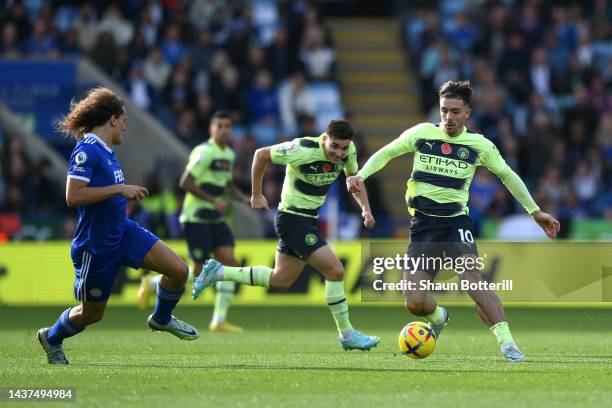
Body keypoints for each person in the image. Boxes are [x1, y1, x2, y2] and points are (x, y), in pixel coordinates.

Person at [347, 80, 560, 362]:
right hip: (423, 226)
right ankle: (439, 316)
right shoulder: (422, 133)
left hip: (455, 223)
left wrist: (535, 211)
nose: (449, 117)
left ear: (468, 112)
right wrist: (362, 174)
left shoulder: (479, 144)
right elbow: (388, 151)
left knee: (473, 281)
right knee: (414, 302)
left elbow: (507, 175)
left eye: (455, 112)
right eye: (444, 110)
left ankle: (508, 344)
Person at [37, 87, 199, 365]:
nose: (125, 126)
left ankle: (161, 319)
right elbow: (73, 196)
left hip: (123, 232)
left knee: (179, 270)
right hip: (96, 245)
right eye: (123, 120)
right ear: (112, 119)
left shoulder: (107, 151)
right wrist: (118, 190)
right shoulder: (87, 150)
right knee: (92, 314)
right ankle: (51, 337)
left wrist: (119, 194)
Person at [192, 119, 380, 350]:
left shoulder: (348, 151)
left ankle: (219, 272)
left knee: (281, 279)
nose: (339, 153)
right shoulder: (302, 149)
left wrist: (366, 209)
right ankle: (347, 333)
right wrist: (256, 194)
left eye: (343, 147)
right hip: (293, 219)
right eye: (334, 146)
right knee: (335, 270)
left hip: (308, 219)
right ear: (324, 139)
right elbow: (261, 155)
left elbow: (354, 182)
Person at [137, 110, 249, 332]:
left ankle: (218, 320)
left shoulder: (228, 154)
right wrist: (213, 201)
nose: (224, 130)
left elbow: (227, 186)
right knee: (199, 271)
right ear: (211, 129)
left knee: (231, 264)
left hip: (216, 218)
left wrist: (247, 198)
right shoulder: (204, 151)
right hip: (196, 217)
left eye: (228, 126)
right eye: (220, 126)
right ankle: (151, 283)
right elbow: (185, 182)